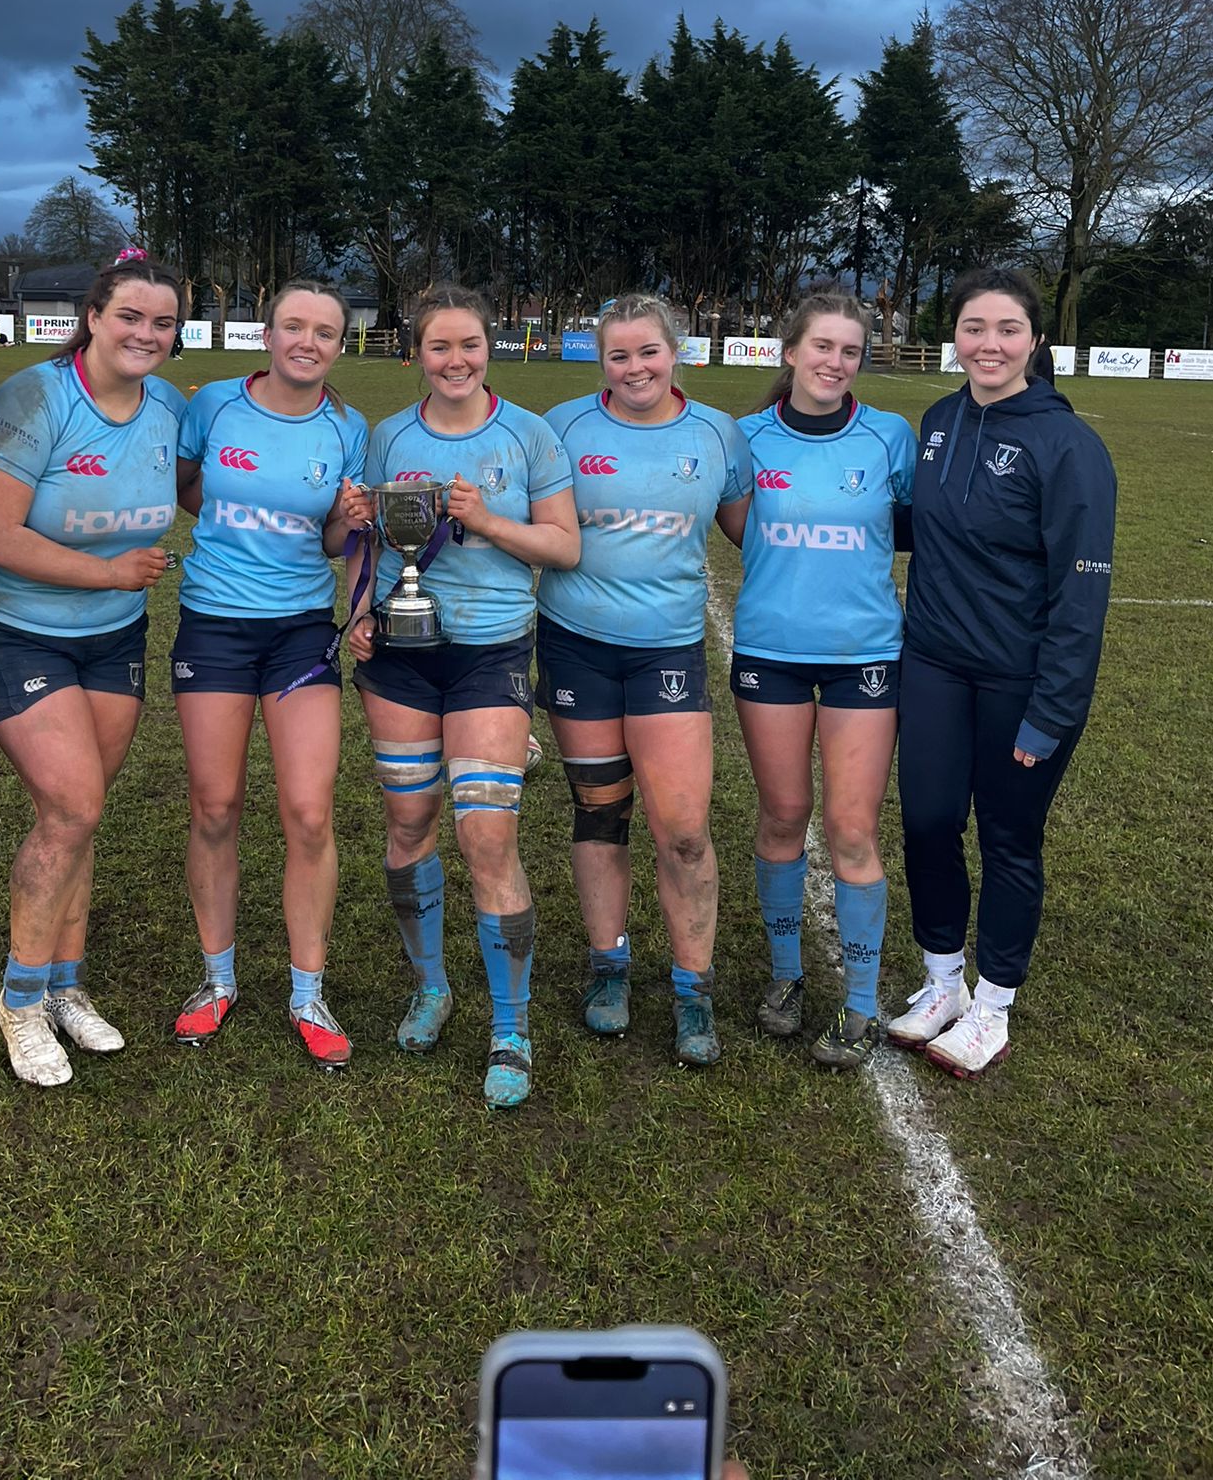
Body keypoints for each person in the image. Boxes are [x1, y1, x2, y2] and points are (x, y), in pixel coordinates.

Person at [351, 285, 579, 1109]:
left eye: (470, 345)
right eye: (439, 346)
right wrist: (359, 610)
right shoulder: (387, 437)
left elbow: (563, 546)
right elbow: (372, 541)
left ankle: (511, 1029)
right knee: (409, 823)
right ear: (416, 353)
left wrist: (484, 521)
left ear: (491, 348)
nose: (456, 361)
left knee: (486, 836)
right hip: (402, 657)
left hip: (490, 653)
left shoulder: (529, 435)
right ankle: (432, 989)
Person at [0, 254, 186, 1087]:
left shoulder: (168, 406)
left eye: (162, 322)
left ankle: (64, 984)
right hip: (19, 634)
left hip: (114, 638)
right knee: (72, 806)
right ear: (93, 316)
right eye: (130, 316)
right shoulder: (35, 398)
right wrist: (108, 572)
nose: (146, 334)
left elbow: (209, 486)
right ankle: (20, 1002)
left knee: (77, 817)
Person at [891, 268, 1116, 1077]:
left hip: (1022, 682)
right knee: (927, 822)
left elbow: (1081, 595)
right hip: (934, 666)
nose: (989, 344)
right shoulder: (938, 420)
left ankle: (992, 1005)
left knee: (1009, 837)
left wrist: (1052, 710)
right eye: (974, 328)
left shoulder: (1069, 445)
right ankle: (943, 981)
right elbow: (918, 525)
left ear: (1035, 340)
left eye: (1008, 329)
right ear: (955, 336)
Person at [538, 293, 752, 1065]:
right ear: (601, 361)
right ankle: (609, 967)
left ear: (675, 353)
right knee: (600, 814)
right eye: (619, 355)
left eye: (648, 352)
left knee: (684, 832)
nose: (635, 368)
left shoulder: (718, 435)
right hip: (576, 648)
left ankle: (694, 990)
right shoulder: (561, 428)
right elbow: (524, 522)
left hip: (667, 653)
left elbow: (753, 536)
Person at [170, 282, 371, 1069]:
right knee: (215, 807)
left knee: (310, 814)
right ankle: (217, 980)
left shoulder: (347, 428)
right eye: (294, 326)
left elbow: (332, 541)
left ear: (339, 346)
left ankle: (307, 993)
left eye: (324, 332)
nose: (307, 342)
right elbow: (186, 488)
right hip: (215, 626)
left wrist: (347, 522)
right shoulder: (214, 404)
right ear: (267, 333)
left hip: (299, 634)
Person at [719, 293, 916, 1068]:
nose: (835, 362)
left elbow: (911, 529)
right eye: (822, 346)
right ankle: (785, 977)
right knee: (782, 814)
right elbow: (741, 529)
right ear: (790, 351)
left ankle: (861, 1006)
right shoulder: (745, 439)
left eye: (849, 350)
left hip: (865, 655)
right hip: (771, 650)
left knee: (852, 829)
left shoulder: (890, 436)